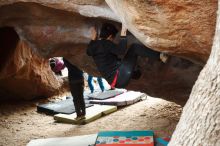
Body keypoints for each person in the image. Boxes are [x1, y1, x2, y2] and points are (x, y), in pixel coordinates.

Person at [87, 23, 164, 89]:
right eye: (113, 38)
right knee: (134, 48)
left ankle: (136, 73)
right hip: (120, 76)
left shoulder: (93, 46)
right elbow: (121, 50)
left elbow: (88, 52)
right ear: (110, 36)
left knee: (121, 61)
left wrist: (93, 38)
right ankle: (160, 56)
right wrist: (123, 32)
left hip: (115, 82)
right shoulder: (106, 43)